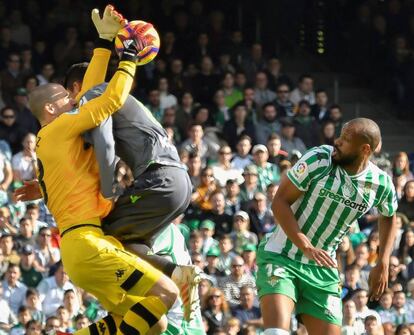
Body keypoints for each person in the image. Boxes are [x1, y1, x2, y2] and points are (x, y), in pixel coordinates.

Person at [20, 6, 179, 335]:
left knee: (153, 322)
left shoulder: (51, 139)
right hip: (88, 243)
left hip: (79, 248)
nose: (73, 98)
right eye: (66, 96)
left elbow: (90, 92)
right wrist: (128, 60)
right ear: (50, 108)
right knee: (167, 293)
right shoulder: (61, 128)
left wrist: (105, 42)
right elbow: (106, 100)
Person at [257, 118, 398, 335]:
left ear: (365, 149)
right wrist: (305, 245)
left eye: (345, 139)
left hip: (322, 270)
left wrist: (383, 261)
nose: (337, 142)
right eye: (340, 135)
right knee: (276, 332)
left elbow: (389, 216)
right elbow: (279, 202)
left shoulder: (380, 183)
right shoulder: (320, 158)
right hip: (282, 257)